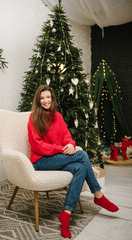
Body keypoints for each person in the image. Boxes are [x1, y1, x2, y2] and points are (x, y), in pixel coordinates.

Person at [28, 84, 119, 239]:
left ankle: (66, 213)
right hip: (41, 161)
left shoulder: (58, 116)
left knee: (80, 168)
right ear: (38, 100)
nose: (45, 100)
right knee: (82, 155)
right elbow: (38, 145)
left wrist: (70, 144)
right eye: (42, 98)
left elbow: (66, 136)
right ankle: (98, 195)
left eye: (48, 97)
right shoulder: (34, 118)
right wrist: (60, 148)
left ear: (52, 98)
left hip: (56, 158)